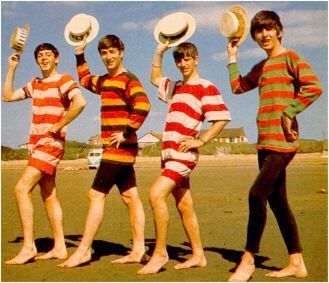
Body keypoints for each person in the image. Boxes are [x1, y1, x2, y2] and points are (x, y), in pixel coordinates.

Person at [226, 11, 323, 282]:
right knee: (278, 202)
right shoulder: (262, 66)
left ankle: (248, 259)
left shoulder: (292, 58)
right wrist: (232, 56)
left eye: (269, 29)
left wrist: (289, 111)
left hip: (283, 141)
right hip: (264, 141)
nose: (264, 35)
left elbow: (314, 87)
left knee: (256, 194)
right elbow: (237, 87)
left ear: (279, 30)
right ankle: (297, 263)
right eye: (258, 31)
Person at [137, 41, 231, 275]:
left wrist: (202, 140)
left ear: (196, 59)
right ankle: (198, 255)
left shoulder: (205, 87)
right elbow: (155, 77)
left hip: (183, 155)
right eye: (179, 60)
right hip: (168, 153)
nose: (183, 64)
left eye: (187, 59)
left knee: (155, 194)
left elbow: (221, 118)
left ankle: (160, 254)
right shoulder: (176, 87)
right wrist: (159, 51)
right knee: (184, 204)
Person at [59, 34, 151, 268]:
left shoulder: (128, 79)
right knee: (131, 197)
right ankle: (139, 249)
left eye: (112, 52)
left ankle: (84, 250)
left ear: (121, 52)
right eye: (104, 53)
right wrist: (80, 53)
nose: (108, 57)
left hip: (118, 150)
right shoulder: (105, 81)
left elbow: (143, 105)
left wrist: (126, 133)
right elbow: (86, 79)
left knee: (96, 195)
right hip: (120, 151)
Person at [2, 43, 87, 264]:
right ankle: (60, 246)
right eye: (40, 55)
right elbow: (7, 96)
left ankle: (29, 247)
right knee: (48, 195)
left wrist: (60, 124)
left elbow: (80, 102)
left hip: (50, 143)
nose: (44, 58)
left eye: (48, 54)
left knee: (21, 188)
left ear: (56, 58)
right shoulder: (35, 84)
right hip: (36, 144)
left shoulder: (64, 80)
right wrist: (11, 68)